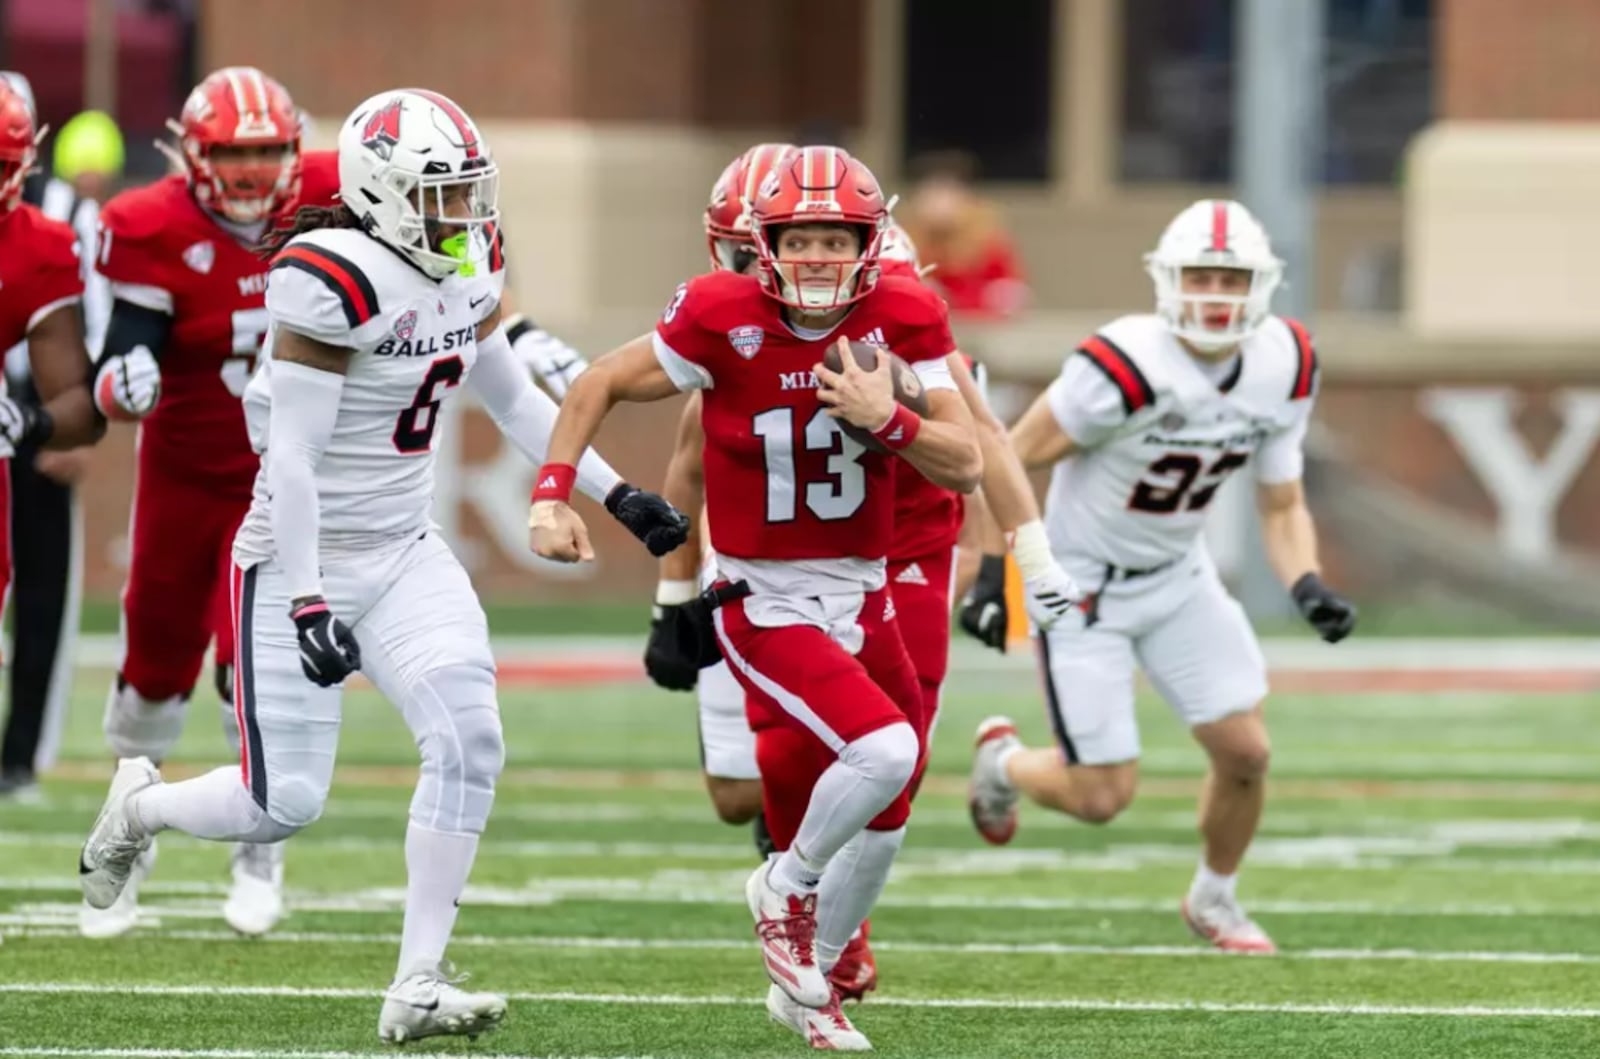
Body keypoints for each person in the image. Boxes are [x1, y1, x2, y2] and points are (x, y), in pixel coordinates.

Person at [78, 86, 686, 1040]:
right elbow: (293, 460)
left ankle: (417, 980)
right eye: (442, 194)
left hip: (405, 550)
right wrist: (311, 598)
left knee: (471, 740)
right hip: (296, 554)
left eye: (469, 191)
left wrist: (614, 494)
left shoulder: (467, 262)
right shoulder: (330, 276)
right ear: (383, 192)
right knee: (284, 803)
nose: (466, 213)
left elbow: (515, 397)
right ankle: (141, 808)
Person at [531, 145, 982, 1051]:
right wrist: (551, 491)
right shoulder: (718, 315)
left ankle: (806, 985)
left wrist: (883, 415)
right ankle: (784, 886)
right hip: (762, 593)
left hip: (864, 589)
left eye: (835, 237)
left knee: (893, 806)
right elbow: (599, 381)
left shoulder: (904, 313)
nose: (817, 255)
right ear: (763, 242)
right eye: (800, 237)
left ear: (868, 241)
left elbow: (965, 457)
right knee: (884, 746)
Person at [645, 144, 1082, 1007]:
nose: (796, 273)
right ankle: (801, 885)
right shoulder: (738, 330)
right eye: (749, 252)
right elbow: (688, 463)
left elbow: (981, 445)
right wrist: (671, 598)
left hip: (901, 554)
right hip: (762, 567)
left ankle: (832, 934)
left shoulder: (903, 319)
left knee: (892, 751)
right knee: (745, 791)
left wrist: (1011, 563)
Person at [967, 199, 1358, 954]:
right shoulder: (1123, 363)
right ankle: (1004, 762)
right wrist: (994, 571)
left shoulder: (1285, 361)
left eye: (1232, 278)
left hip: (1179, 575)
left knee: (1247, 751)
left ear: (1262, 285)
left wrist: (1307, 582)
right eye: (1202, 276)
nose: (1215, 294)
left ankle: (1215, 898)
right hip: (1083, 587)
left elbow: (1281, 503)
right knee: (1102, 795)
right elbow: (1003, 459)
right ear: (1168, 281)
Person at [82, 66, 342, 939]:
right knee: (151, 673)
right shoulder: (147, 225)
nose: (251, 168)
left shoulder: (332, 199)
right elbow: (123, 359)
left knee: (249, 672)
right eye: (233, 151)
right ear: (192, 153)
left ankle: (259, 851)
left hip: (277, 482)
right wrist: (125, 379)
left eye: (268, 149)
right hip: (182, 476)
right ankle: (128, 837)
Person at [0, 74, 110, 934]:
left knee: (32, 603)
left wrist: (34, 419)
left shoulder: (41, 240)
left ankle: (21, 755)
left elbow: (78, 389)